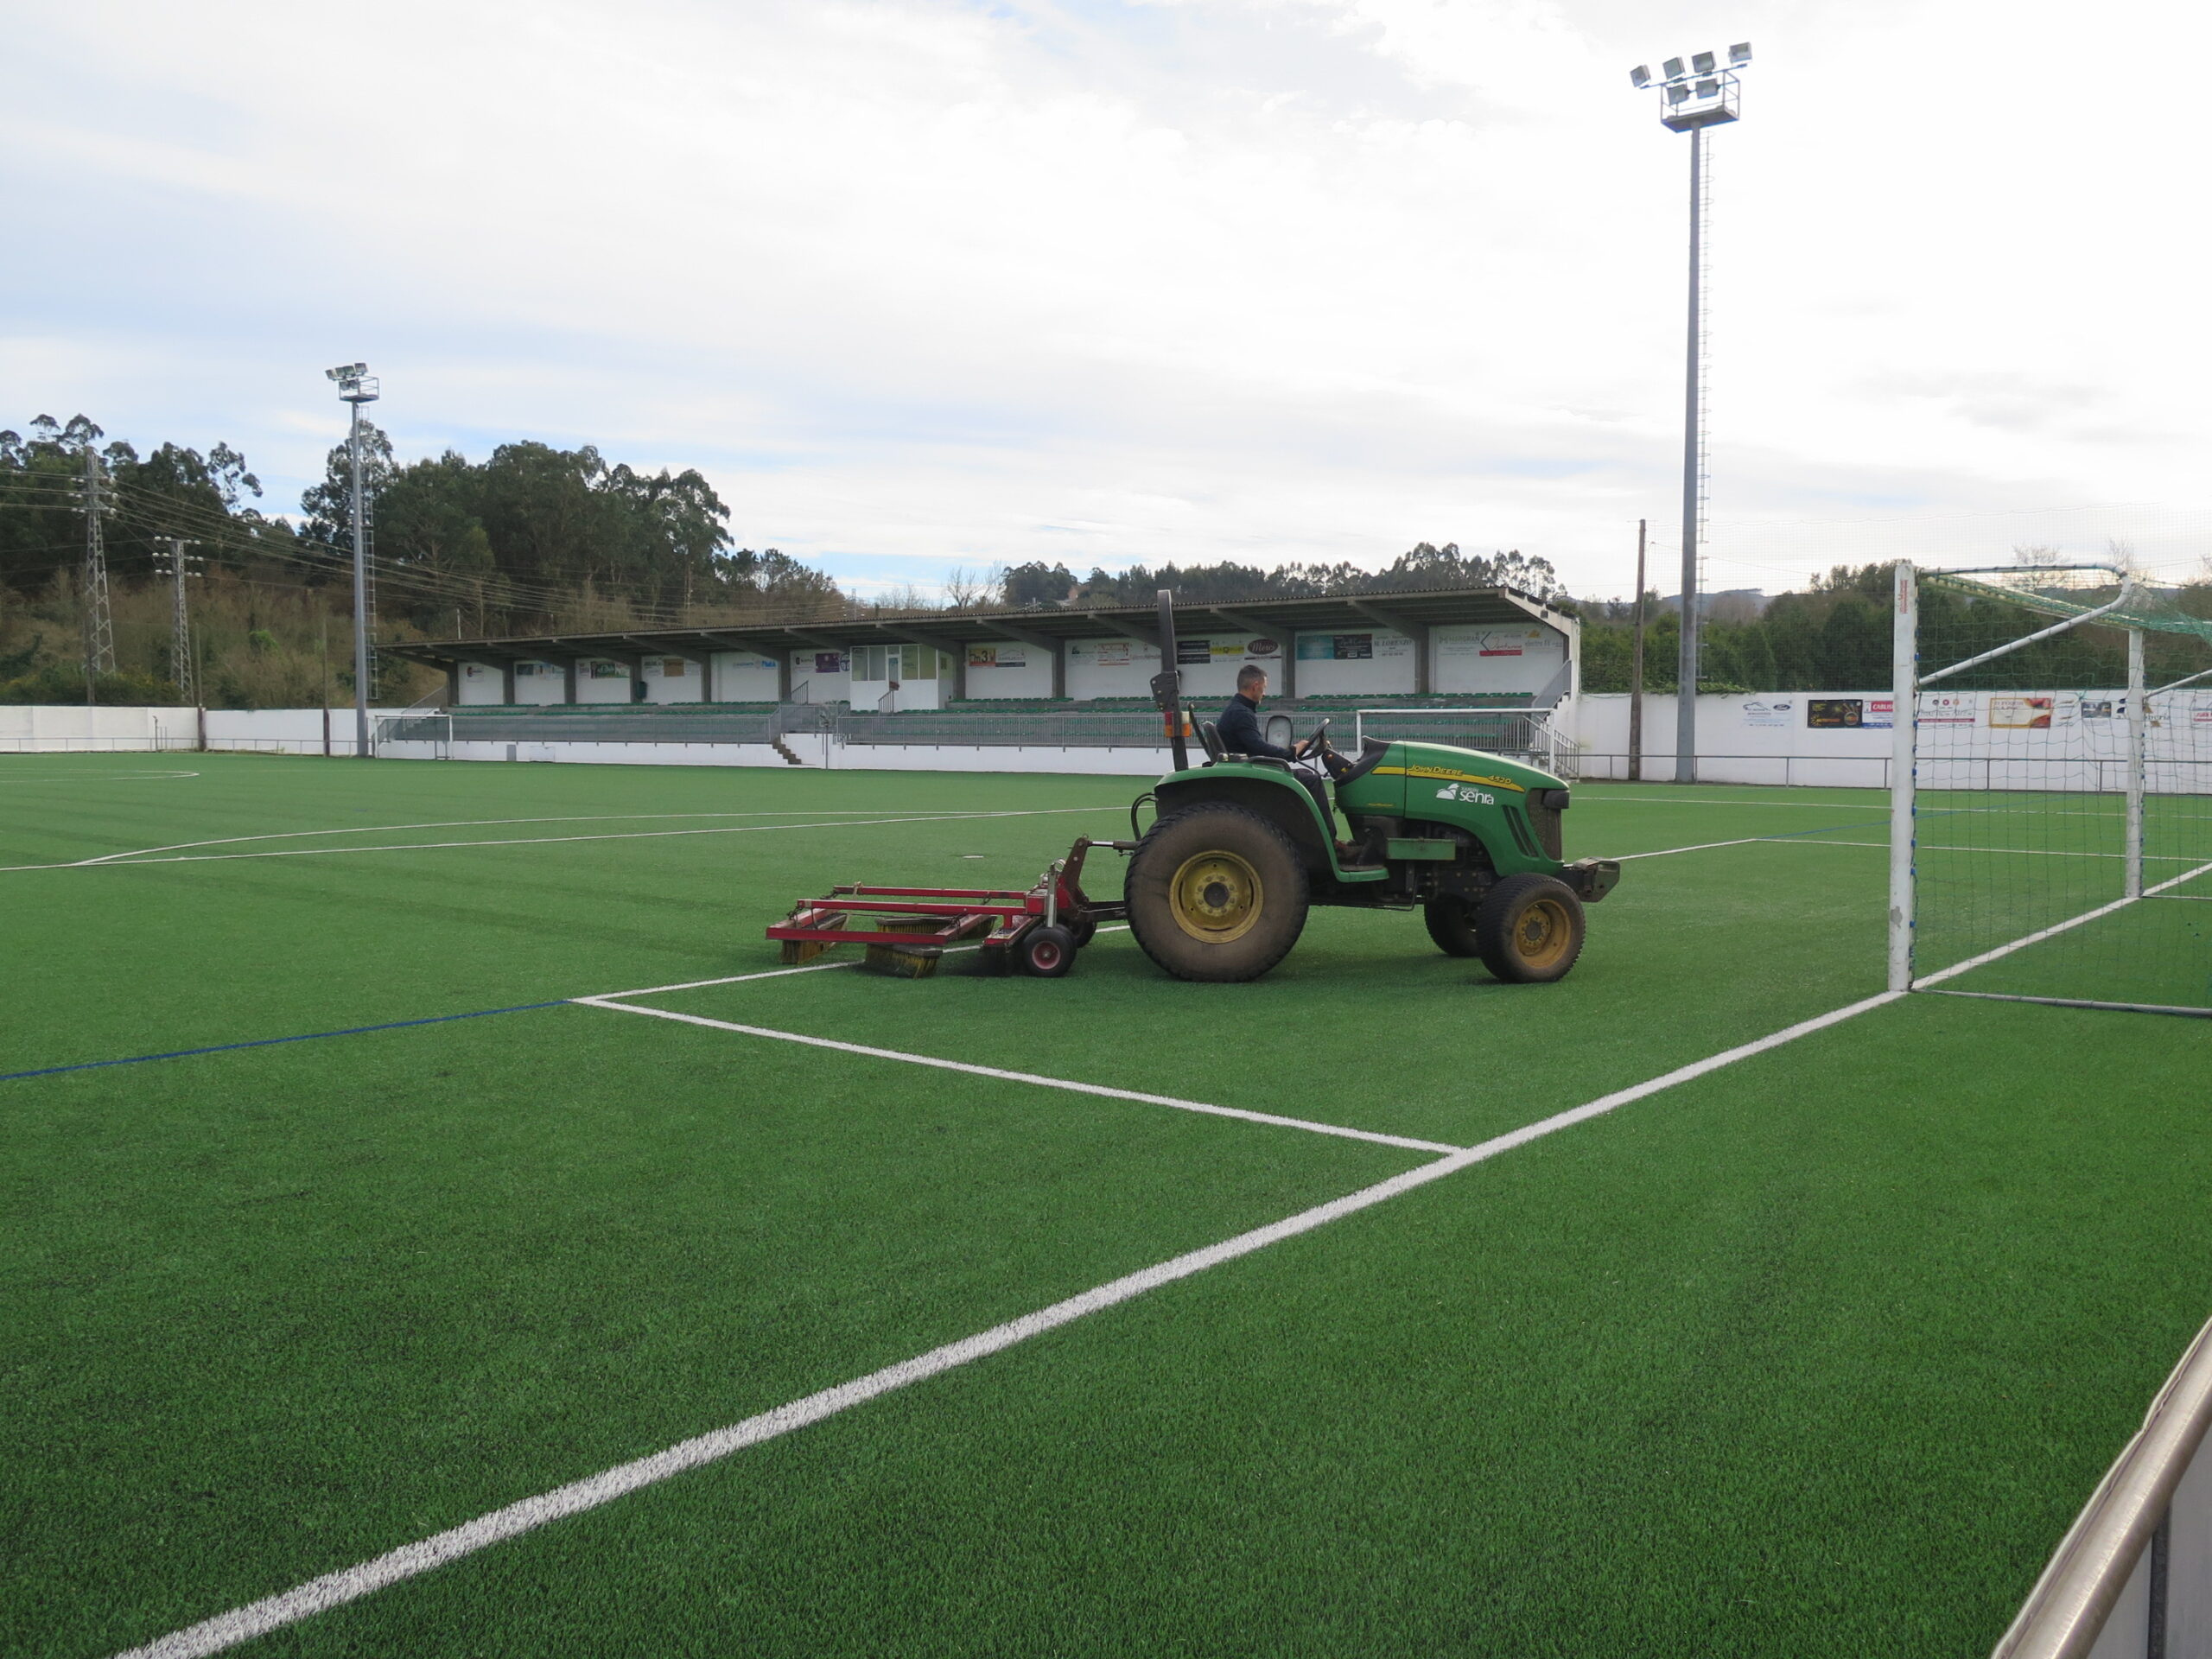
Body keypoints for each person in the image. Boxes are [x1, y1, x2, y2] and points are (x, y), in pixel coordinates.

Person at [1215, 664, 1306, 762]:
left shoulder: (1235, 709)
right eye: (1264, 688)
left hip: (1242, 765)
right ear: (1255, 686)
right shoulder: (1241, 713)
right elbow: (1259, 748)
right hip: (1244, 769)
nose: (1264, 694)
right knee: (1309, 777)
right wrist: (1291, 752)